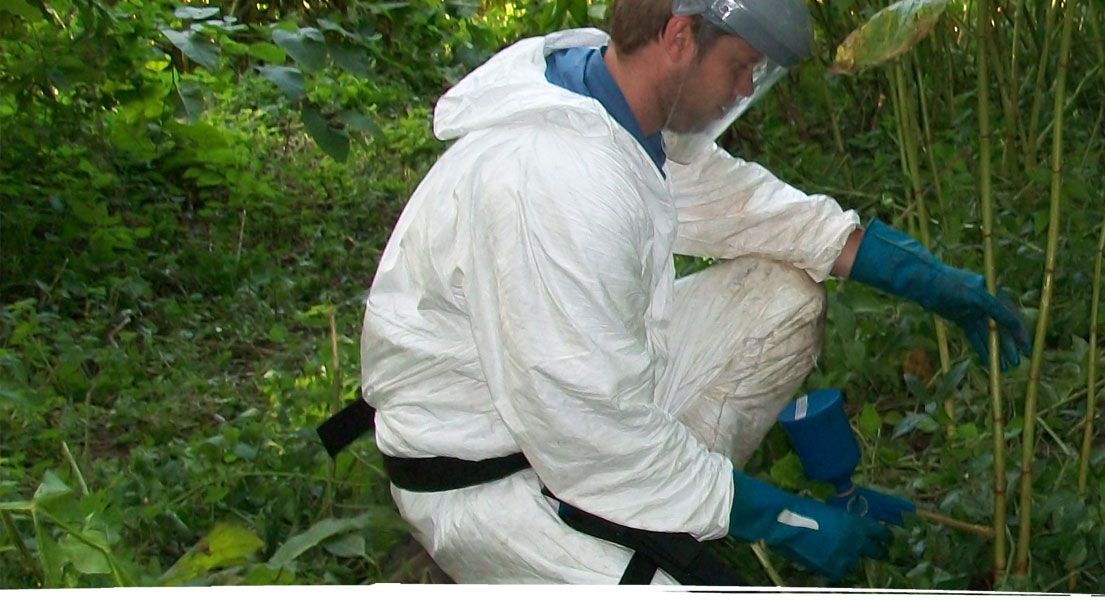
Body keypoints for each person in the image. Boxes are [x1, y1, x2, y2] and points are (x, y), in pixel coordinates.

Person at [345, 0, 1031, 585]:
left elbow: (744, 209)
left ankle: (674, 496)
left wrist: (930, 281)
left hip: (576, 409)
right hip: (490, 477)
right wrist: (776, 515)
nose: (744, 88)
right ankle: (658, 515)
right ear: (677, 38)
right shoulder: (552, 181)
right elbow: (590, 434)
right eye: (740, 67)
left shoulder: (610, 101)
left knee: (780, 300)